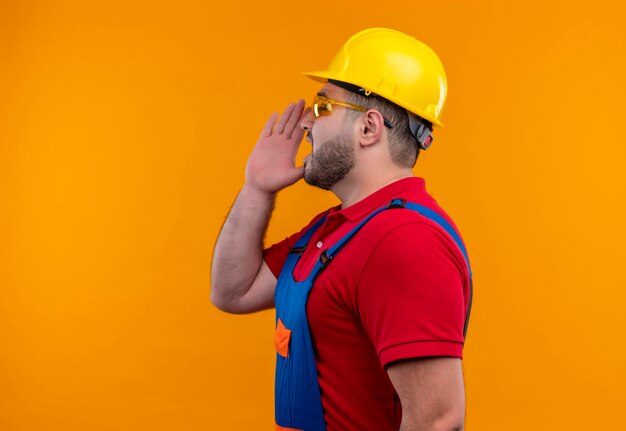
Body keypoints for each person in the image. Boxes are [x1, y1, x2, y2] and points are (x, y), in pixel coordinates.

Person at [211, 28, 473, 431]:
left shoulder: (403, 240)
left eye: (322, 107)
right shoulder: (336, 228)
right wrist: (257, 188)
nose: (305, 125)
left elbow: (439, 419)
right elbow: (232, 291)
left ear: (369, 128)